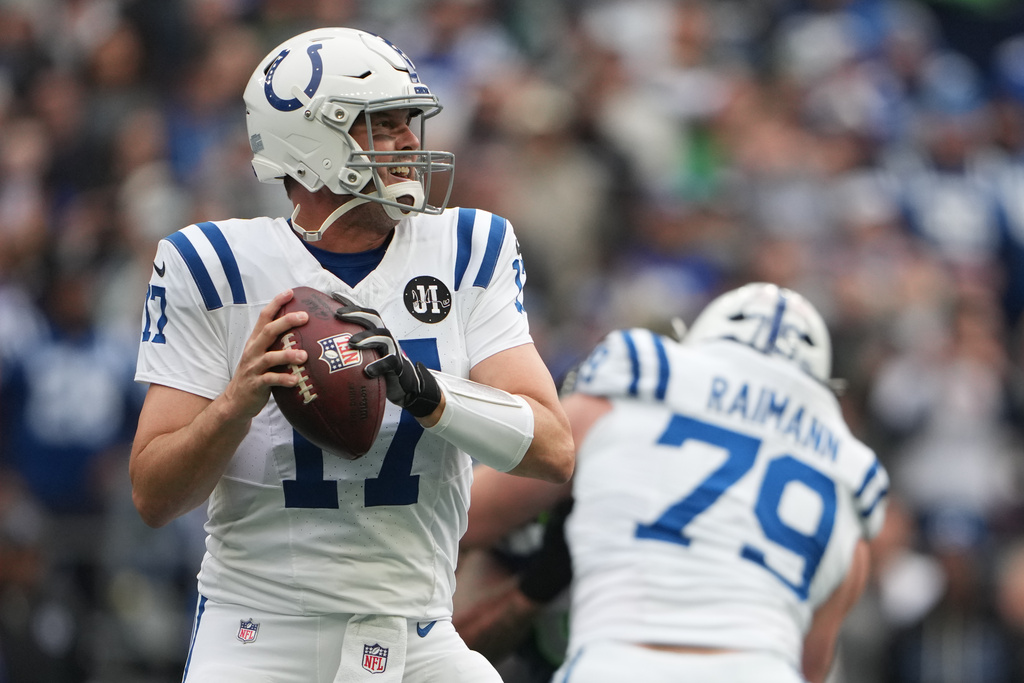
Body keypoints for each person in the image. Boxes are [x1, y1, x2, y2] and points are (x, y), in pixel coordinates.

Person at [129, 26, 574, 683]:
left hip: (417, 629)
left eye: (408, 122)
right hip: (260, 634)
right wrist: (234, 405)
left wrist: (428, 391)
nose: (406, 143)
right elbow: (154, 495)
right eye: (380, 124)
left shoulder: (467, 246)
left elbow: (553, 446)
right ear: (309, 144)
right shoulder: (213, 265)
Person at [456, 283, 889, 682]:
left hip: (619, 663)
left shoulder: (635, 387)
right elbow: (809, 669)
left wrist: (533, 589)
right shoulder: (849, 485)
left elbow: (462, 519)